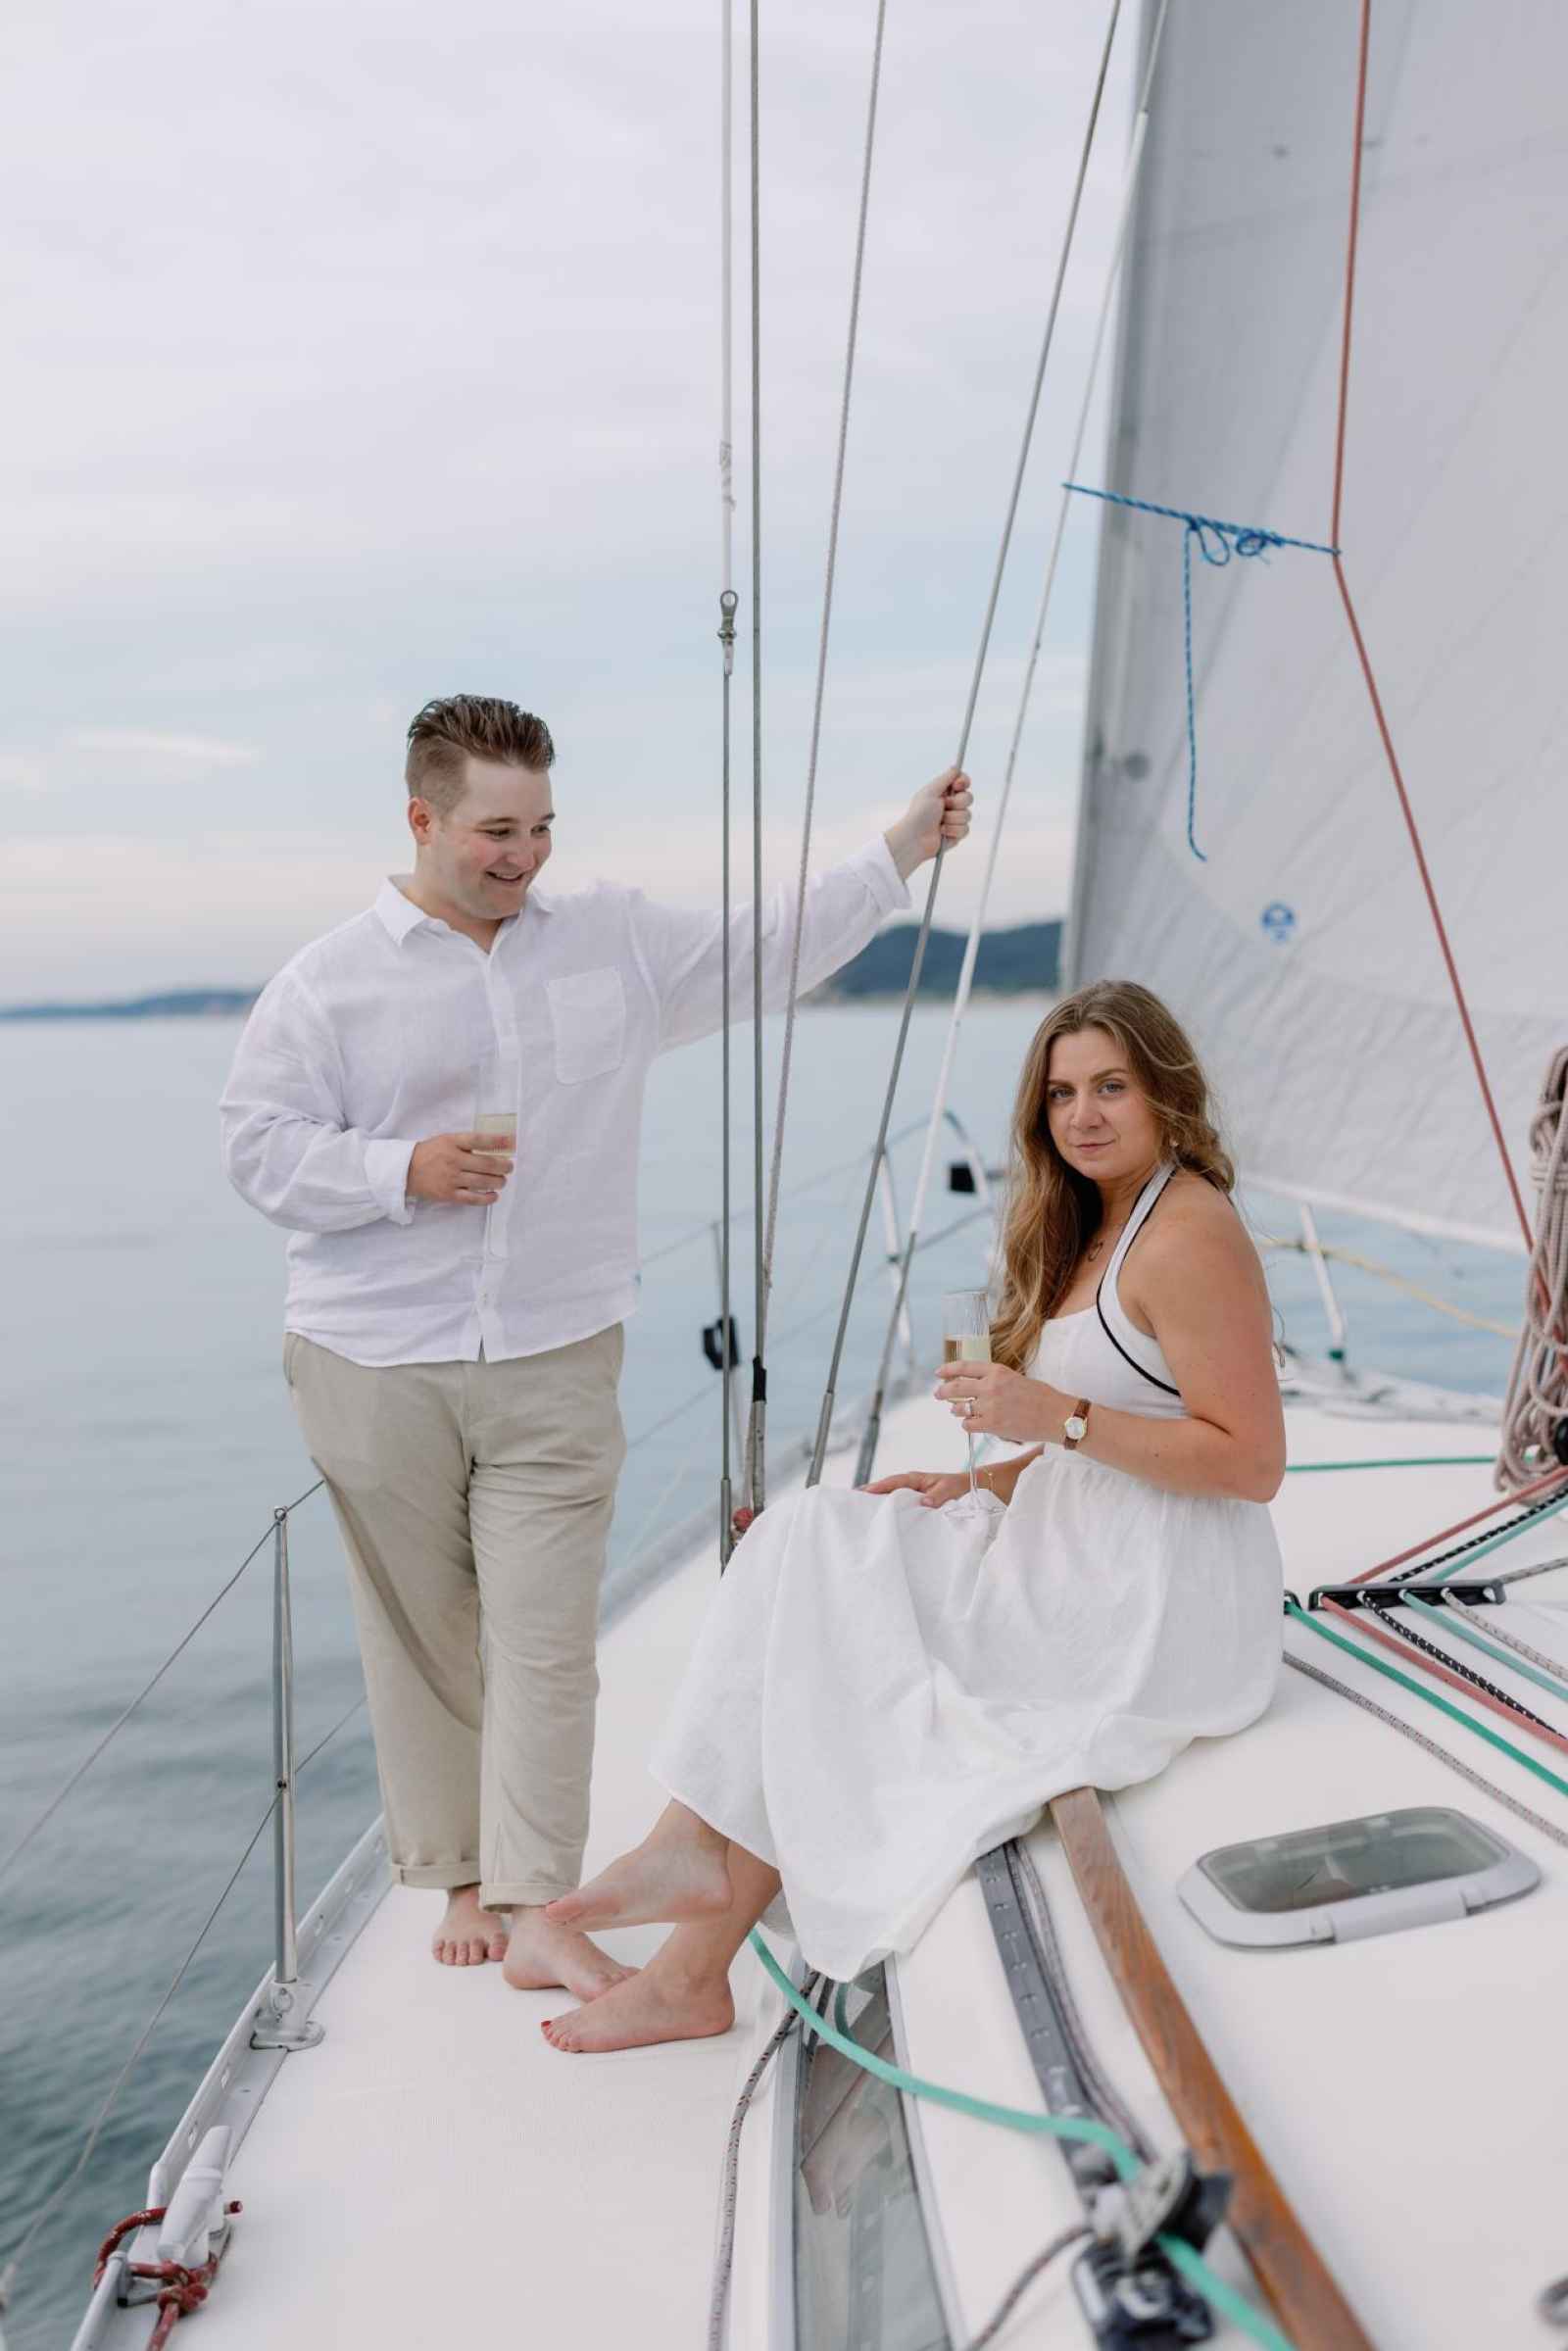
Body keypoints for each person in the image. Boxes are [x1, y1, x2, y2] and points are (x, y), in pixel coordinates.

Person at [220, 693, 971, 1993]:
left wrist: (898, 849)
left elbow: (769, 943)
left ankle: (532, 1900)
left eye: (541, 827)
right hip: (371, 1353)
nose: (524, 855)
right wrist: (403, 1169)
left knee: (547, 1636)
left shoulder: (612, 940)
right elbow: (257, 1146)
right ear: (422, 818)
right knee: (425, 1634)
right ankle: (458, 1871)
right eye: (495, 831)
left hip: (557, 1344)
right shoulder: (327, 983)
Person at [537, 979, 1285, 2051]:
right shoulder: (1095, 1222)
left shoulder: (1189, 1231)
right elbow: (1106, 1439)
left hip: (1156, 1597)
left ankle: (690, 1949)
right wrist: (980, 1479)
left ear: (1166, 1090)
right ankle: (688, 1869)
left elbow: (1250, 1462)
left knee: (844, 1629)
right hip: (1075, 1543)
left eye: (1111, 1086)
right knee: (805, 1535)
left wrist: (1053, 1417)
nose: (1082, 1114)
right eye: (1061, 1092)